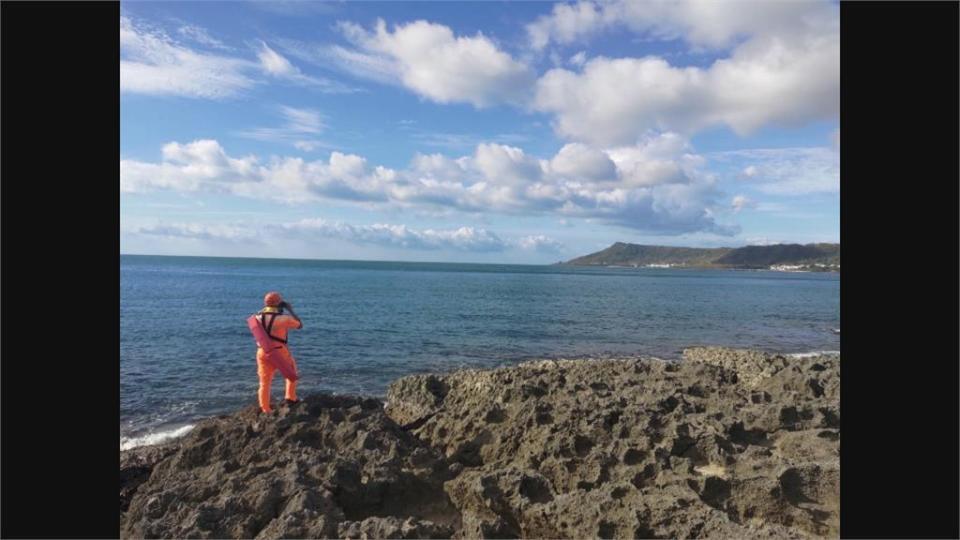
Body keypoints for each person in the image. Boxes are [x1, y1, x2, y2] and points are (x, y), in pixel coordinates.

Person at [255, 291, 303, 413]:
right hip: (279, 351)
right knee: (291, 374)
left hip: (262, 351)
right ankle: (290, 398)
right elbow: (299, 325)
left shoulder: (257, 317)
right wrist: (290, 310)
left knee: (264, 382)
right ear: (278, 303)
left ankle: (265, 408)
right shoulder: (283, 319)